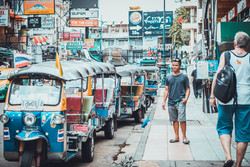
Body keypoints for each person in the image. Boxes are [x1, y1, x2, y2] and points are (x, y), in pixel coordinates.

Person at [210, 32, 250, 167]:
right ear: (247, 44)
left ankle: (228, 157)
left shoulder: (226, 55)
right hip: (246, 100)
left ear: (235, 43)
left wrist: (212, 96)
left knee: (224, 127)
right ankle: (238, 164)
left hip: (226, 98)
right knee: (243, 133)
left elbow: (218, 74)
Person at [162, 58, 190, 144]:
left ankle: (184, 137)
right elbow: (166, 90)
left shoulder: (184, 77)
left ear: (180, 66)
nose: (174, 66)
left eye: (176, 65)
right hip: (171, 102)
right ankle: (177, 137)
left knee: (182, 120)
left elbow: (188, 89)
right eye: (173, 65)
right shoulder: (168, 77)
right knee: (174, 120)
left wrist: (186, 98)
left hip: (181, 101)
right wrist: (163, 101)